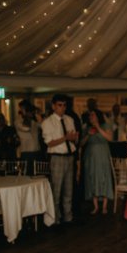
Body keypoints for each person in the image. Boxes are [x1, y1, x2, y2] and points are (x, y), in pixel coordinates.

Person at [41, 94, 79, 224]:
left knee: (69, 189)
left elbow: (74, 138)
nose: (62, 108)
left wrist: (73, 137)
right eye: (59, 105)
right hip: (57, 157)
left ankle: (68, 216)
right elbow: (49, 143)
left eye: (64, 105)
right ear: (53, 106)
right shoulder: (47, 122)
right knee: (56, 190)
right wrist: (66, 138)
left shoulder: (69, 119)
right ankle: (55, 218)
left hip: (70, 156)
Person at [81, 109, 114, 215]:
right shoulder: (87, 127)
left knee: (104, 177)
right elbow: (81, 143)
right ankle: (95, 206)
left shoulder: (105, 126)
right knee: (92, 178)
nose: (91, 117)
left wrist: (98, 127)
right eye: (90, 115)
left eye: (93, 115)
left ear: (98, 116)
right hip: (90, 157)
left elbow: (109, 138)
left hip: (103, 155)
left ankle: (104, 206)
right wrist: (88, 135)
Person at [15, 100, 42, 175]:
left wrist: (38, 114)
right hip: (26, 152)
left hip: (37, 151)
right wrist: (27, 116)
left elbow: (43, 125)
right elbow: (26, 128)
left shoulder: (34, 120)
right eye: (23, 109)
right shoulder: (18, 121)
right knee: (26, 175)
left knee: (37, 175)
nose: (24, 111)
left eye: (26, 109)